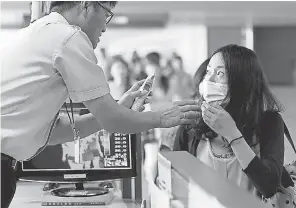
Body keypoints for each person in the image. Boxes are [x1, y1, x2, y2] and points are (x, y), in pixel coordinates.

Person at [0, 2, 200, 207]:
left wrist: (117, 110)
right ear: (86, 5)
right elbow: (114, 121)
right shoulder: (68, 37)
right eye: (107, 13)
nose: (105, 27)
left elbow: (54, 133)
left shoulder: (38, 33)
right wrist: (159, 117)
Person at [173, 44, 294, 200]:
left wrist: (232, 135)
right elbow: (174, 178)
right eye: (209, 71)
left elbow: (269, 186)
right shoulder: (192, 123)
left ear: (242, 81)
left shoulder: (269, 122)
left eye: (220, 73)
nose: (208, 79)